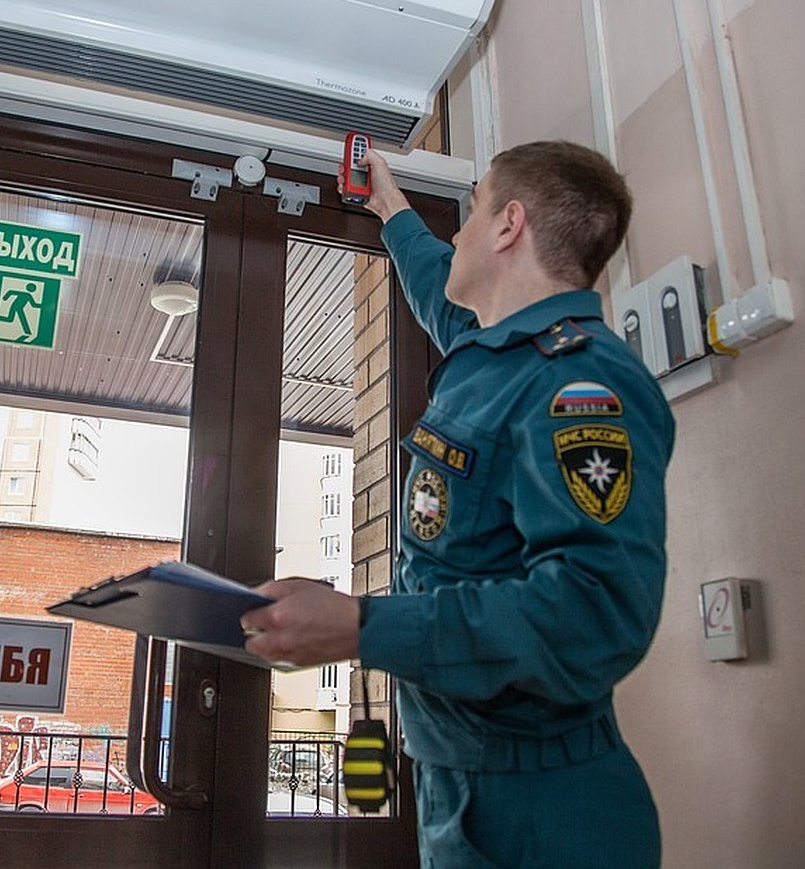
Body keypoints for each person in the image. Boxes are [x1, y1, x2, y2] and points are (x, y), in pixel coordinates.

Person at [241, 141, 675, 868]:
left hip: (540, 812)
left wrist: (362, 624)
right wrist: (388, 204)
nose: (457, 234)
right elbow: (436, 281)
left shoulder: (581, 385)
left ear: (508, 225)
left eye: (469, 212)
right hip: (461, 787)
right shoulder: (495, 356)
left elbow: (593, 616)